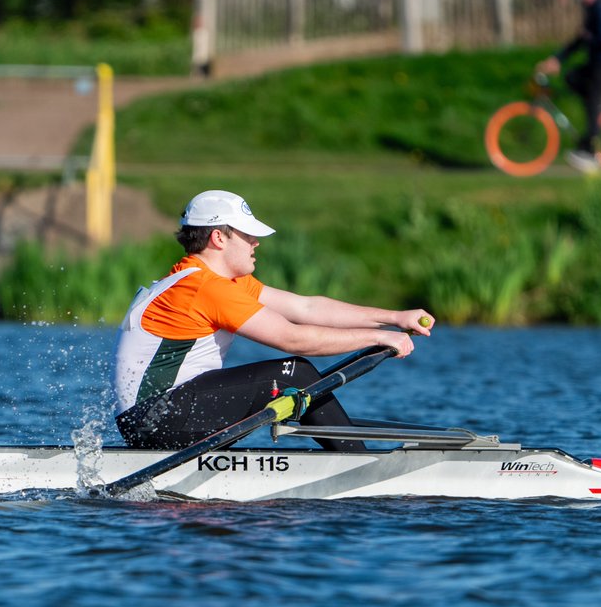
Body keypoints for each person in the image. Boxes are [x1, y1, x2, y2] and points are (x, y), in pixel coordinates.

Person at [112, 190, 433, 453]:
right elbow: (292, 338)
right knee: (294, 373)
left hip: (157, 417)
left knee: (298, 378)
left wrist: (394, 318)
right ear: (218, 239)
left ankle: (351, 455)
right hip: (158, 421)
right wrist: (377, 338)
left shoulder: (214, 280)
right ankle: (359, 464)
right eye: (247, 234)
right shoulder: (203, 288)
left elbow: (306, 309)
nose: (256, 242)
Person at [536, 0, 601, 173]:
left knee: (592, 98)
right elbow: (579, 41)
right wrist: (557, 59)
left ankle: (590, 153)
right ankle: (595, 110)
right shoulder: (593, 11)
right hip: (600, 63)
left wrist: (589, 37)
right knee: (572, 78)